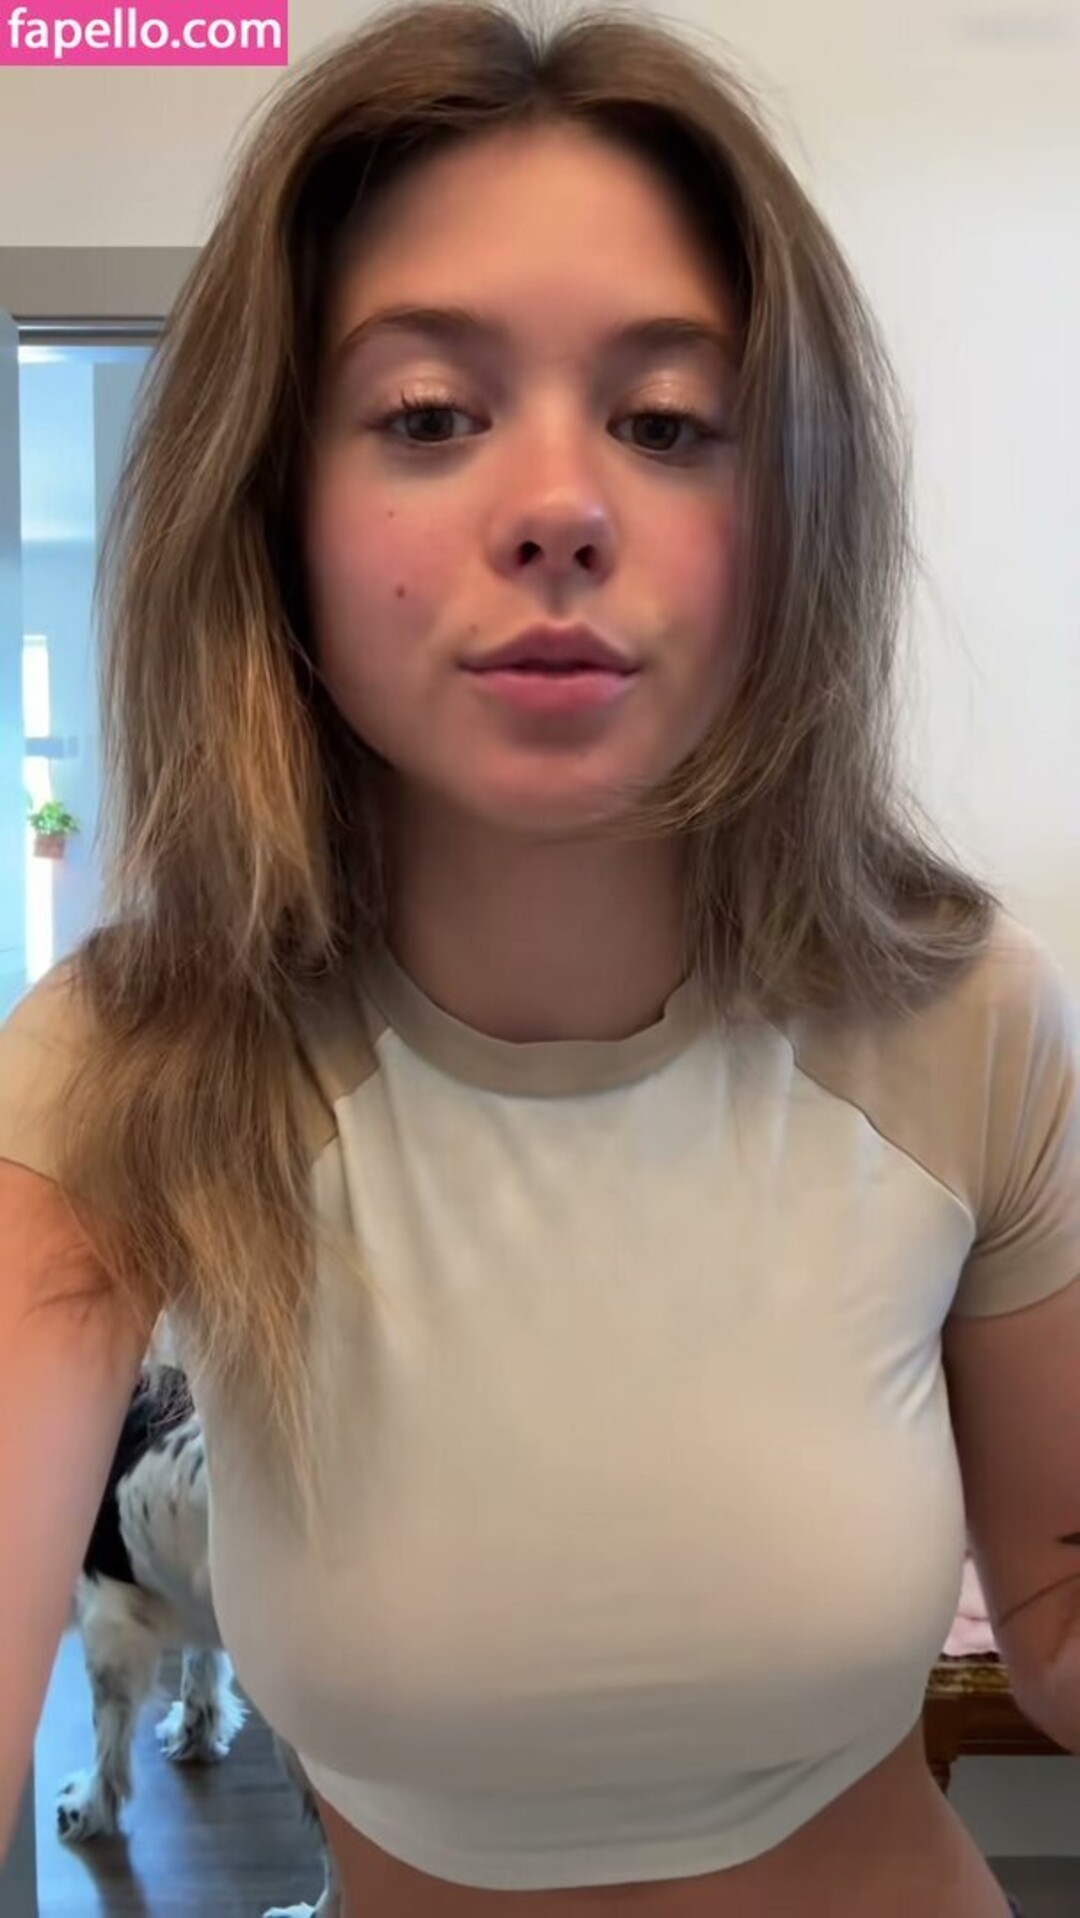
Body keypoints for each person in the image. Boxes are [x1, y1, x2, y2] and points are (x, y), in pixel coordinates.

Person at [0, 1, 1076, 1911]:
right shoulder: (129, 1061)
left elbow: (1057, 1622)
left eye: (666, 422)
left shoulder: (966, 1016)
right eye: (429, 414)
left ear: (789, 509)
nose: (565, 508)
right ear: (277, 506)